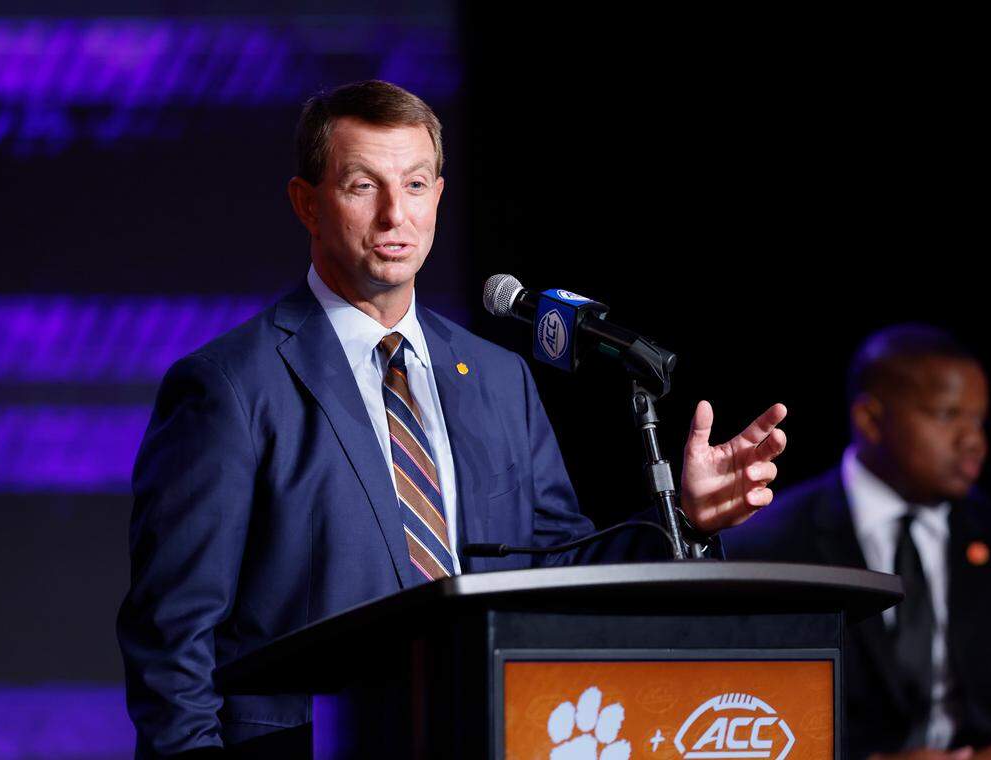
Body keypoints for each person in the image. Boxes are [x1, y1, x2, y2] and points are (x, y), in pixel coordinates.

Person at [116, 80, 788, 758]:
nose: (392, 217)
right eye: (360, 187)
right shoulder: (228, 386)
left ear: (438, 194)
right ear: (306, 204)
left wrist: (685, 517)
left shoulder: (498, 378)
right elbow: (172, 638)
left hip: (492, 734)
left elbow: (556, 569)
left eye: (413, 185)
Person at [729, 324, 991, 760]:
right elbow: (743, 709)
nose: (974, 441)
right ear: (871, 420)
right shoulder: (769, 544)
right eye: (947, 414)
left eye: (978, 418)